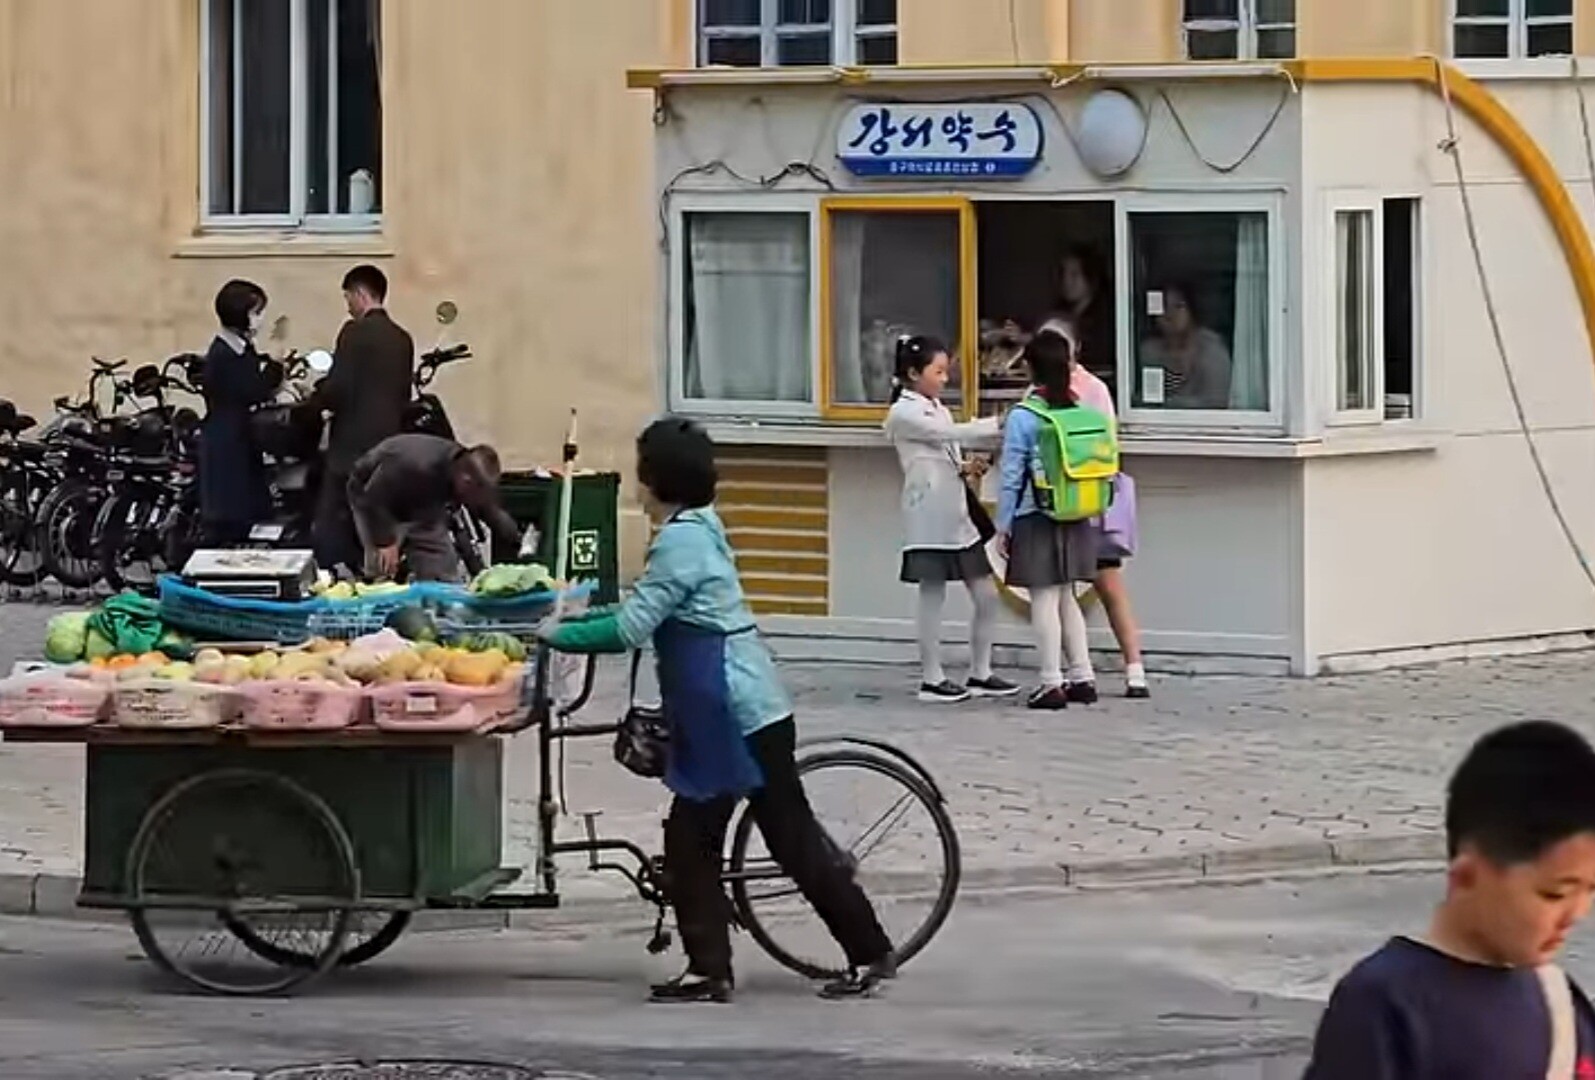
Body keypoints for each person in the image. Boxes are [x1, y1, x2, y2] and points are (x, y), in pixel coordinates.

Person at [541, 418, 896, 1004]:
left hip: (734, 712)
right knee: (738, 836)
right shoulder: (696, 526)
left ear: (656, 478)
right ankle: (733, 965)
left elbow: (631, 627)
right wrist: (579, 622)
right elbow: (645, 610)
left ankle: (822, 955)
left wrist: (560, 635)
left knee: (750, 839)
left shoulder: (681, 540)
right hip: (740, 706)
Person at [1304, 720, 1595, 1078]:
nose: (1577, 913)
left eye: (1590, 890)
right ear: (1467, 876)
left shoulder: (1559, 1002)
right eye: (1555, 893)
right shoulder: (1384, 1002)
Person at [883, 335, 1017, 704]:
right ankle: (931, 677)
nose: (945, 378)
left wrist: (965, 466)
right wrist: (999, 422)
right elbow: (947, 434)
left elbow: (946, 447)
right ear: (913, 373)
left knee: (986, 594)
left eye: (946, 371)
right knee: (932, 593)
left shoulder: (936, 406)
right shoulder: (903, 412)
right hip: (928, 514)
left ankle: (981, 670)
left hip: (958, 512)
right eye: (938, 371)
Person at [1039, 317, 1149, 700]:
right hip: (1087, 500)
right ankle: (1111, 671)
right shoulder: (1087, 389)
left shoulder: (1061, 392)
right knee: (1087, 588)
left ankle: (1109, 670)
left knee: (1083, 587)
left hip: (1074, 502)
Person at [996, 330, 1101, 710]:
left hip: (1033, 514)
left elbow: (1011, 477)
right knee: (1067, 597)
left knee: (1042, 598)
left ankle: (1050, 681)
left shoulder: (1025, 416)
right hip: (1074, 513)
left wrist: (1003, 526)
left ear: (1030, 368)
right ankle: (1083, 675)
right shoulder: (1078, 411)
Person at [305, 264, 415, 572]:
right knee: (376, 519)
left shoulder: (353, 333)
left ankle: (329, 578)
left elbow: (338, 388)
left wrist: (315, 401)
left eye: (348, 298)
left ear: (361, 293)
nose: (348, 306)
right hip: (388, 444)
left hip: (351, 446)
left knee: (331, 523)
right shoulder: (402, 338)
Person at [345, 432, 519, 583]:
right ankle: (380, 606)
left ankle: (436, 605)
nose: (473, 498)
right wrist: (385, 541)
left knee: (441, 562)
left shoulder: (466, 474)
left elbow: (486, 508)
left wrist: (514, 537)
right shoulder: (417, 463)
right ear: (465, 479)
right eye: (473, 491)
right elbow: (375, 497)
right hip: (374, 494)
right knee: (382, 565)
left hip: (423, 504)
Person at [197, 279, 283, 546]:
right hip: (227, 442)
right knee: (230, 516)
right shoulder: (224, 354)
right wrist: (275, 370)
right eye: (255, 312)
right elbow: (252, 389)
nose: (259, 319)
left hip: (239, 438)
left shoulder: (240, 348)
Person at [1138, 283, 1231, 410]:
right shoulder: (1149, 351)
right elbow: (1142, 399)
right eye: (1163, 307)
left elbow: (1216, 402)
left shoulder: (1211, 350)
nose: (1170, 314)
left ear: (1192, 310)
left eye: (1178, 306)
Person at [1053, 248, 1116, 396]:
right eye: (1063, 274)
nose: (1067, 281)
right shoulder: (1058, 313)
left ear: (1091, 278)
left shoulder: (1106, 318)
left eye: (1074, 275)